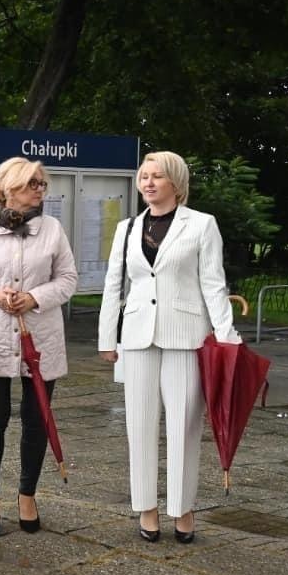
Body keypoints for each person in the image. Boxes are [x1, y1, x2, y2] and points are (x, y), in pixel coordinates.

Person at [98, 151, 240, 544]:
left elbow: (214, 283)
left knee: (184, 426)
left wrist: (226, 337)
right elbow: (115, 284)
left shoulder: (201, 225)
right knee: (138, 426)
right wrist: (108, 338)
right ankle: (146, 507)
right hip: (138, 335)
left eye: (157, 176)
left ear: (175, 183)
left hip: (186, 335)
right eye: (144, 176)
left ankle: (183, 508)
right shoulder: (128, 228)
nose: (148, 182)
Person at [0, 157, 79, 537]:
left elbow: (68, 278)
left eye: (42, 184)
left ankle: (27, 494)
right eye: (32, 183)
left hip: (40, 338)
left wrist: (34, 297)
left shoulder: (52, 229)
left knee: (36, 418)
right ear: (9, 187)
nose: (39, 190)